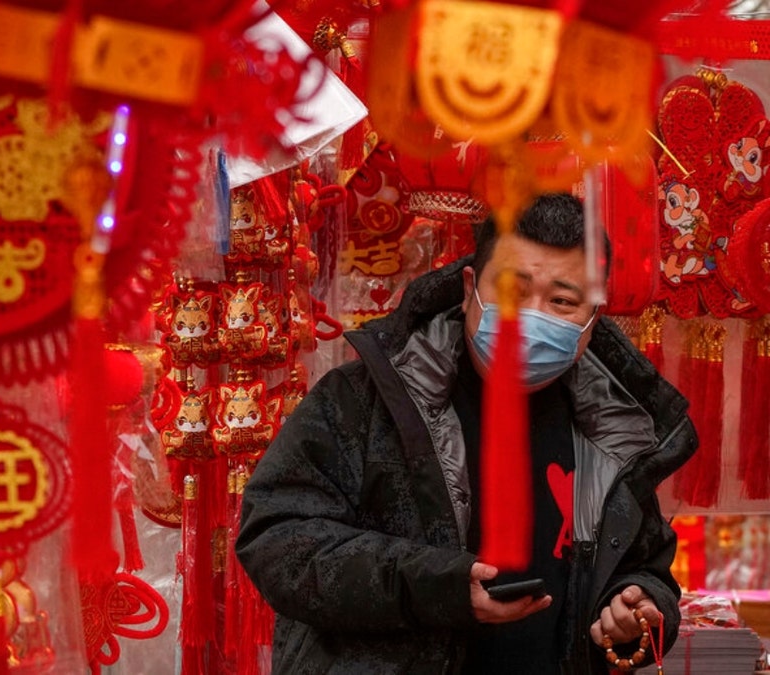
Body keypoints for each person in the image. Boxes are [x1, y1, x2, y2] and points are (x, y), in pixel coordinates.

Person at [236, 193, 697, 674]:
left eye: (562, 301)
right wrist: (435, 587)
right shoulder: (362, 400)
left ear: (592, 319)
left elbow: (644, 565)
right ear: (470, 287)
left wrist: (639, 607)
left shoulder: (614, 431)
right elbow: (278, 539)